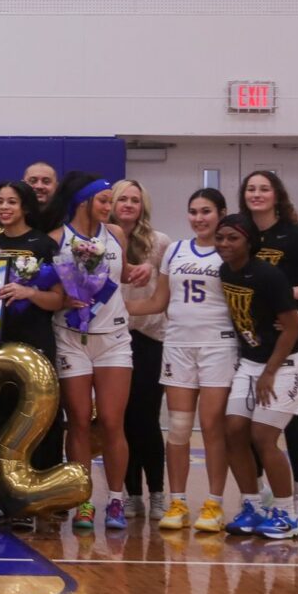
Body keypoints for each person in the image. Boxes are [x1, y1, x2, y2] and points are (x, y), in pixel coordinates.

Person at [49, 171, 156, 532]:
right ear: (84, 202)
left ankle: (114, 500)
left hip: (112, 337)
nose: (111, 207)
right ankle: (82, 501)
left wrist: (137, 272)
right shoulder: (57, 238)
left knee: (112, 421)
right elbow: (50, 285)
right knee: (78, 421)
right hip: (71, 336)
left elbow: (119, 273)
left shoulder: (115, 234)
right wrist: (62, 297)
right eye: (104, 201)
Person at [126, 188, 234, 534]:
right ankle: (178, 501)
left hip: (217, 346)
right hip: (178, 346)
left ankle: (215, 503)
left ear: (221, 213)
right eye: (193, 211)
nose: (199, 218)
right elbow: (159, 301)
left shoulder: (230, 251)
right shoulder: (175, 250)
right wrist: (116, 309)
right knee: (178, 428)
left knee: (213, 427)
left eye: (206, 211)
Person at [0, 180, 69, 528]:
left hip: (35, 341)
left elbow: (59, 299)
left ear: (25, 206)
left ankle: (32, 501)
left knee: (37, 421)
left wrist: (28, 292)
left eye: (12, 201)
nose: (5, 207)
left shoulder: (42, 245)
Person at [242, 170, 298, 532]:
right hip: (251, 339)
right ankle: (263, 494)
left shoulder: (297, 235)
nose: (257, 194)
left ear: (277, 195)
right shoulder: (243, 235)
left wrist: (285, 296)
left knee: (294, 417)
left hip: (291, 335)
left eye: (264, 188)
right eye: (251, 189)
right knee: (252, 419)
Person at [215, 214, 298, 541]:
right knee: (234, 429)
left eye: (232, 238)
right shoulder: (226, 271)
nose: (225, 244)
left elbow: (293, 323)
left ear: (249, 242)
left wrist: (269, 371)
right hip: (251, 361)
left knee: (263, 436)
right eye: (220, 238)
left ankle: (286, 514)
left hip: (286, 362)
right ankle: (251, 505)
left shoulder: (270, 276)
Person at [111, 179, 170, 520]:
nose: (129, 204)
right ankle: (131, 494)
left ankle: (158, 492)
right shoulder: (100, 241)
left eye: (135, 199)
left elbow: (164, 296)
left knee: (146, 419)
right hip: (113, 340)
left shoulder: (159, 243)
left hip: (149, 339)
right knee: (120, 421)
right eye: (123, 199)